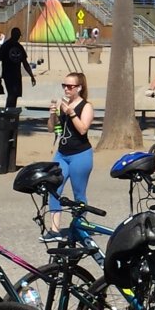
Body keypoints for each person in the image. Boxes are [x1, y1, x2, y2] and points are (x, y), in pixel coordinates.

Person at [49, 72, 95, 212]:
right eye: (64, 85)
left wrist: (72, 113)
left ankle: (79, 223)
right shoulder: (62, 104)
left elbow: (83, 130)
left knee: (79, 194)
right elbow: (52, 128)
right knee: (54, 190)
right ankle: (54, 225)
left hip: (80, 154)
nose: (66, 89)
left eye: (70, 86)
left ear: (79, 87)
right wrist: (52, 114)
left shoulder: (86, 106)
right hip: (62, 154)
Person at [0, 27, 30, 110]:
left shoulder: (18, 46)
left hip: (16, 75)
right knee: (12, 94)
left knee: (15, 95)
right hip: (8, 75)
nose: (18, 37)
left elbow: (25, 62)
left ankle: (11, 110)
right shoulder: (6, 46)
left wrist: (31, 75)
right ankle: (8, 111)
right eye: (17, 35)